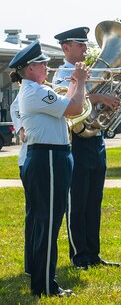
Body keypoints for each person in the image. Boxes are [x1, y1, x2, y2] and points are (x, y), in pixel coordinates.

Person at [9, 41, 88, 297]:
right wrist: (82, 83)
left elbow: (68, 104)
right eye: (42, 62)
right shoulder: (35, 91)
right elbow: (75, 108)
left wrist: (75, 82)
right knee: (49, 222)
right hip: (49, 158)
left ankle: (39, 275)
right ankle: (45, 285)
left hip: (50, 157)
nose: (47, 65)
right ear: (30, 69)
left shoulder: (36, 89)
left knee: (45, 220)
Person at [53, 27, 121, 269]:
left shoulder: (90, 71)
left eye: (85, 44)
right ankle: (79, 255)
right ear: (65, 48)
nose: (85, 48)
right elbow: (67, 101)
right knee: (77, 201)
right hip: (76, 143)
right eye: (79, 44)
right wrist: (100, 98)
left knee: (94, 200)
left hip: (96, 139)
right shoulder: (62, 73)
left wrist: (113, 99)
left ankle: (93, 253)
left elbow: (96, 104)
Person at [10, 90, 30, 277]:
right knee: (35, 215)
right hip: (30, 157)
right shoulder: (28, 90)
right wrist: (21, 127)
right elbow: (15, 106)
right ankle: (32, 263)